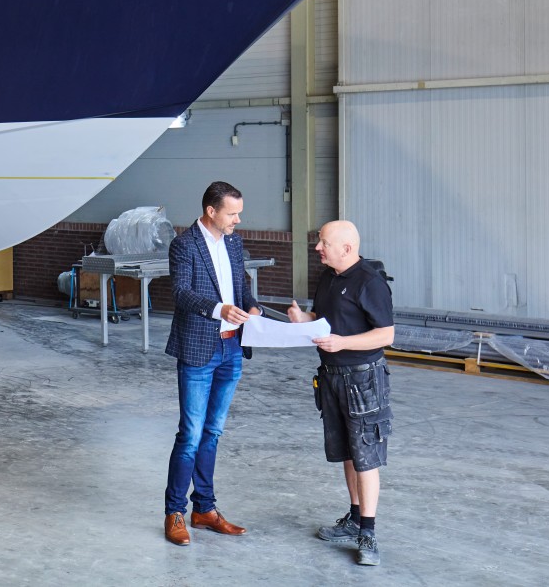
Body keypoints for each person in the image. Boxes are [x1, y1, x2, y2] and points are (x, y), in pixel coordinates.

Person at [287, 220, 395, 566]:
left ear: (347, 248)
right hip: (332, 377)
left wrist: (343, 343)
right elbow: (325, 317)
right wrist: (304, 319)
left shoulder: (370, 282)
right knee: (348, 452)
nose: (318, 247)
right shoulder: (329, 277)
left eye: (323, 243)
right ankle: (353, 516)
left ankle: (369, 532)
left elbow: (386, 335)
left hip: (363, 380)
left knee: (365, 456)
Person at [161, 181, 263, 546]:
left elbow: (242, 288)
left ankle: (204, 509)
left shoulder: (234, 244)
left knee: (212, 433)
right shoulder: (184, 245)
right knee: (190, 435)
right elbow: (181, 293)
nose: (238, 219)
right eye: (232, 213)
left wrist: (252, 306)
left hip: (232, 350)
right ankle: (174, 512)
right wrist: (218, 309)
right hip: (199, 351)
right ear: (211, 212)